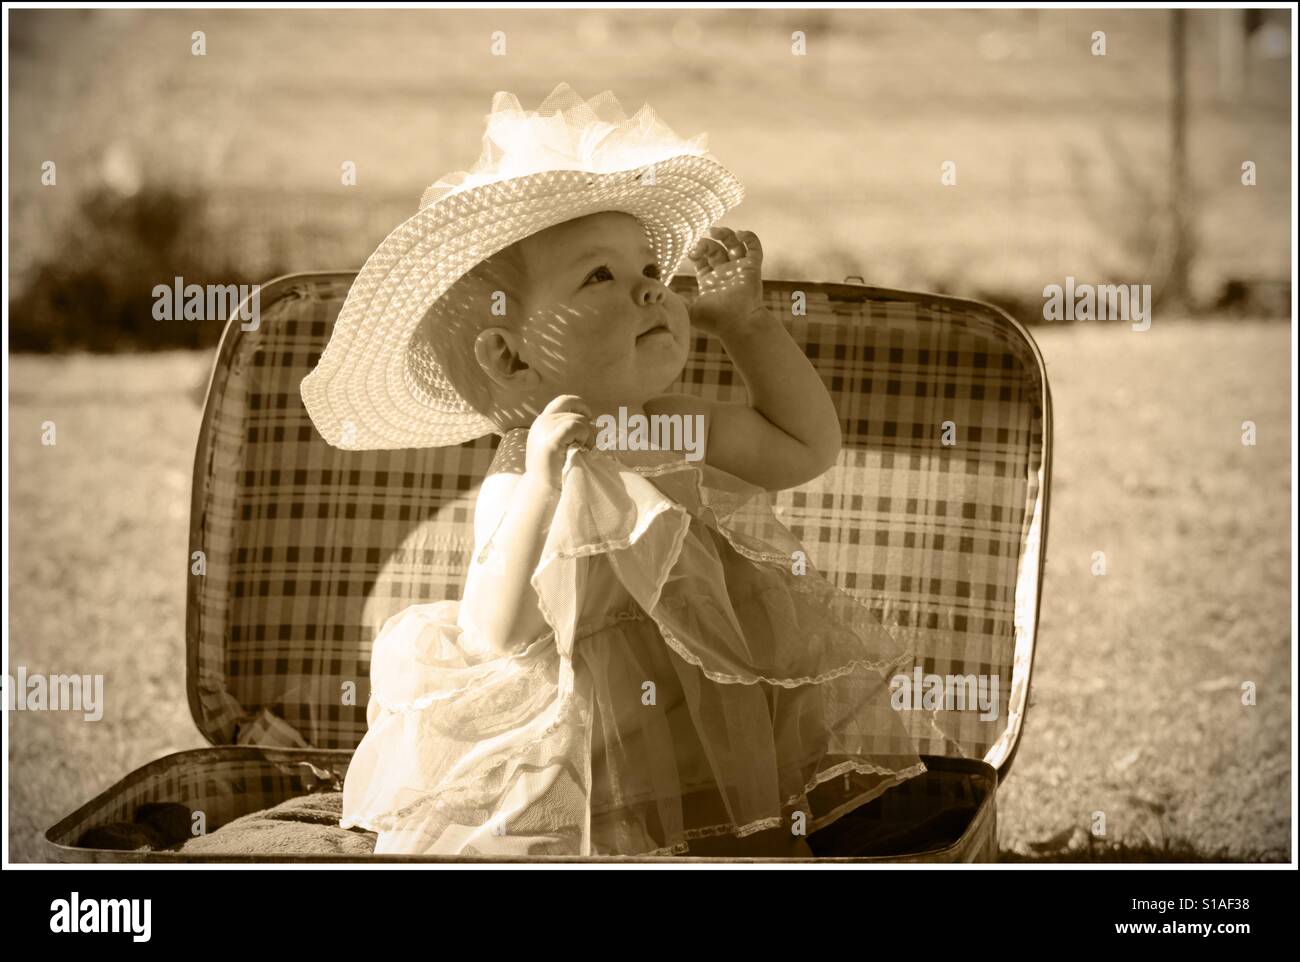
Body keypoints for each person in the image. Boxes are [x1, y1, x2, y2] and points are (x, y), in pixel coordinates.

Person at [300, 82, 929, 858]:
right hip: (578, 754)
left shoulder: (676, 424)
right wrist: (538, 486)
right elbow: (498, 631)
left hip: (709, 741)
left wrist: (749, 327)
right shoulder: (522, 475)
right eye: (599, 276)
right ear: (509, 354)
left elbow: (805, 447)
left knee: (737, 842)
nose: (648, 286)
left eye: (648, 266)